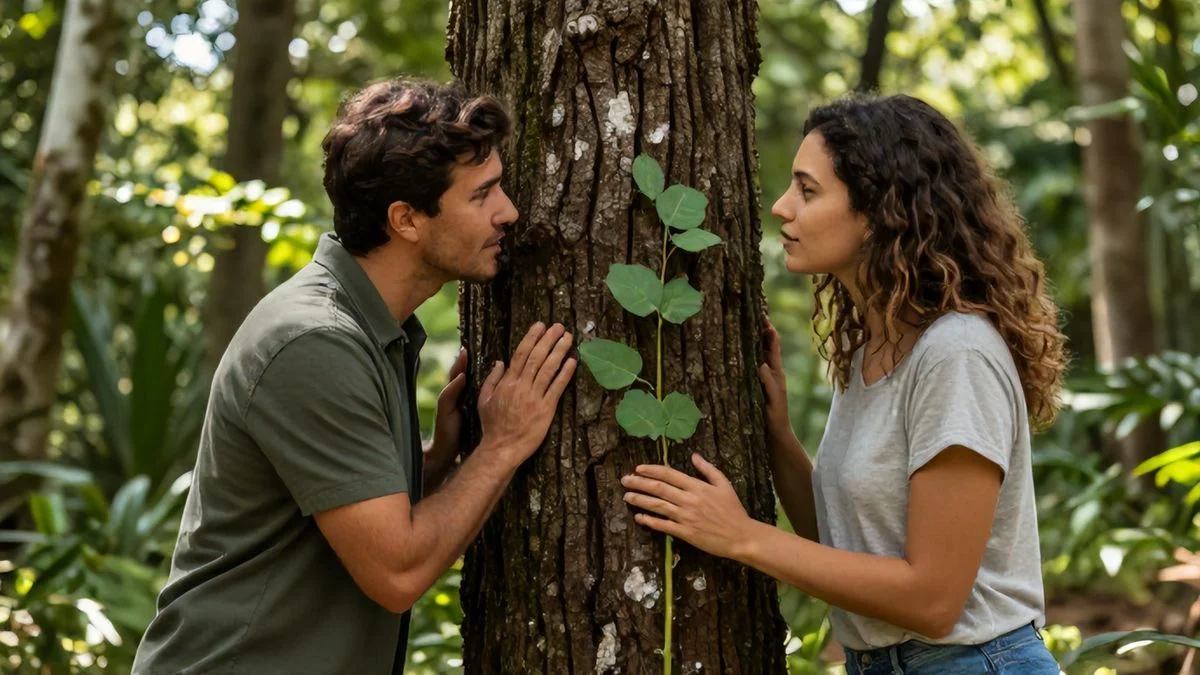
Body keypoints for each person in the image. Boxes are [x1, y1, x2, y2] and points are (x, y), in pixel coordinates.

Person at [133, 78, 576, 674]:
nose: (510, 212)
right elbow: (397, 573)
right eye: (482, 195)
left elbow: (330, 508)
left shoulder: (367, 328)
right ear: (407, 220)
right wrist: (501, 446)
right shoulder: (317, 342)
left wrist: (436, 462)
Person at [621, 93, 1066, 674]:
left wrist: (742, 537)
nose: (782, 208)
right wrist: (778, 437)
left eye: (808, 191)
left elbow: (933, 600)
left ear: (883, 212)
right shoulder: (872, 350)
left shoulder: (957, 354)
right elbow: (850, 543)